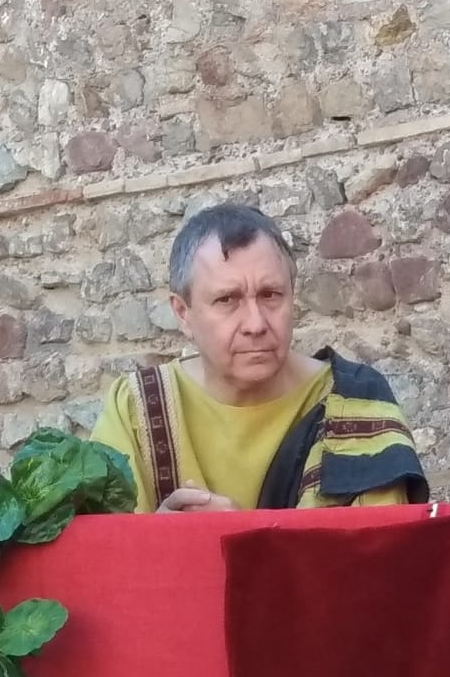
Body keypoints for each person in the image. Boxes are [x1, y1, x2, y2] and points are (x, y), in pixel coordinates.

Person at [92, 203, 428, 513]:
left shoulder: (357, 403)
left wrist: (247, 540)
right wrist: (159, 541)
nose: (256, 324)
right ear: (183, 313)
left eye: (270, 295)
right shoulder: (137, 409)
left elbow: (376, 561)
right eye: (227, 300)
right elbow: (101, 558)